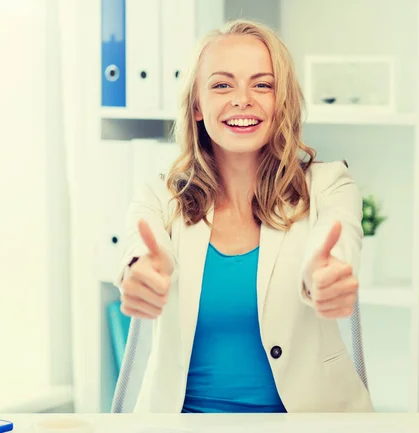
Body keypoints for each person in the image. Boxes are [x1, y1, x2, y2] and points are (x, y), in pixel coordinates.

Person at [113, 19, 373, 414]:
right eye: (221, 85)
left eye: (262, 84)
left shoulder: (329, 185)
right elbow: (139, 248)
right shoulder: (158, 195)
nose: (242, 99)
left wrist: (327, 274)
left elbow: (339, 243)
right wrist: (140, 273)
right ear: (197, 106)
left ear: (281, 100)